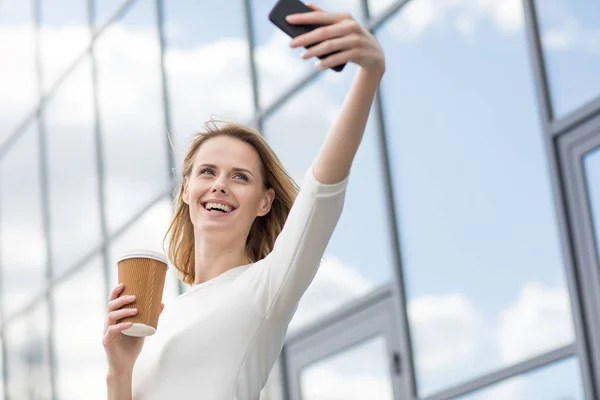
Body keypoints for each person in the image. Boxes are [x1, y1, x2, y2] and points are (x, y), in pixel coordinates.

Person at [102, 3, 385, 399]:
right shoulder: (161, 320)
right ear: (186, 190)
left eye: (240, 177)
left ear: (265, 202)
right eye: (207, 172)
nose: (220, 185)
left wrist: (369, 74)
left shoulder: (265, 286)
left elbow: (321, 193)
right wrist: (120, 371)